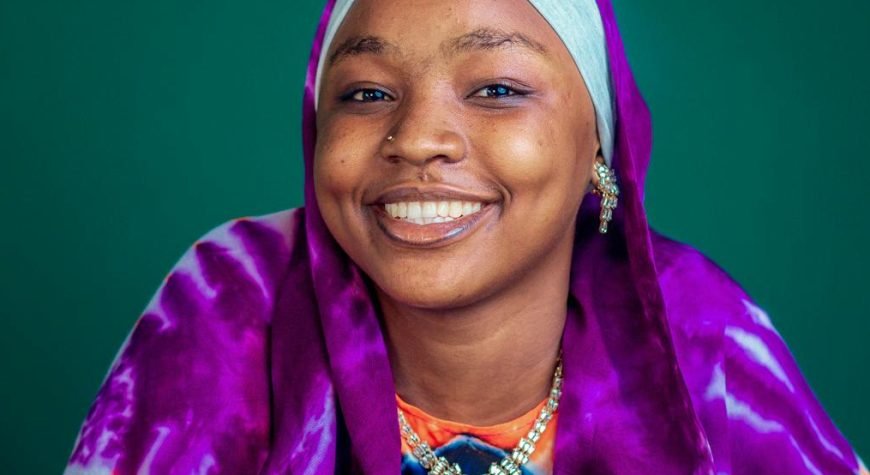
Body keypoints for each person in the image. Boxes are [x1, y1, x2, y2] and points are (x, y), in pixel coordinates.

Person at [64, 0, 867, 473]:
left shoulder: (709, 357)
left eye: (496, 88)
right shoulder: (226, 309)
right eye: (367, 93)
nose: (417, 138)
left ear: (600, 141)